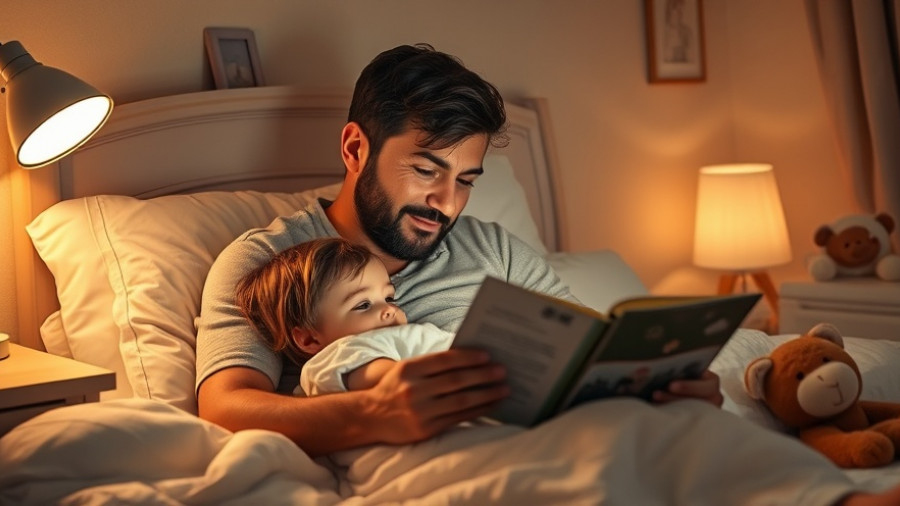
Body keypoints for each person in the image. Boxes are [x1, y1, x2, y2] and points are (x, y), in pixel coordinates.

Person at [195, 43, 900, 504]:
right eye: (426, 171)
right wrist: (372, 411)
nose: (447, 204)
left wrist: (658, 377)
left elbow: (586, 344)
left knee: (679, 423)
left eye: (466, 179)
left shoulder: (492, 247)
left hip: (556, 422)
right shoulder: (270, 258)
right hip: (448, 453)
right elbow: (225, 405)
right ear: (356, 147)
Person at [233, 237, 454, 397]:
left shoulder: (405, 334)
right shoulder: (343, 354)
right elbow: (390, 381)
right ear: (310, 339)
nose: (388, 309)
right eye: (363, 305)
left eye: (389, 298)